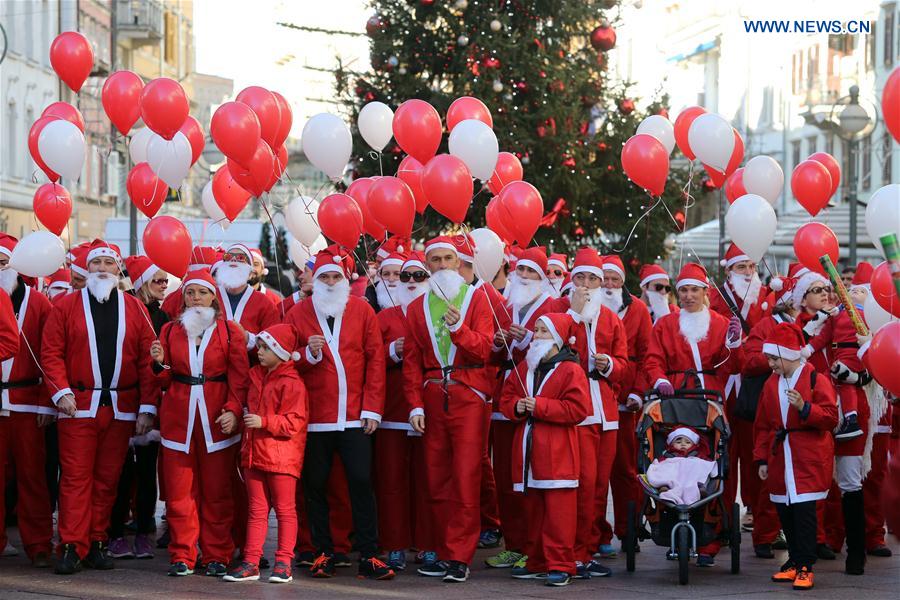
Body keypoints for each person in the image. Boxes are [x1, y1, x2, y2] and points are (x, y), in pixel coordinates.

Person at [41, 240, 157, 575]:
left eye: (109, 263)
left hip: (121, 407)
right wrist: (60, 392)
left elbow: (148, 358)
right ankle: (70, 546)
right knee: (76, 478)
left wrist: (148, 407)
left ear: (118, 270)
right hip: (78, 406)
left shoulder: (135, 308)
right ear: (86, 269)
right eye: (97, 263)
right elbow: (51, 351)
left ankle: (96, 541)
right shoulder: (65, 305)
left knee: (108, 479)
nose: (103, 268)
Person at [284, 246, 393, 581]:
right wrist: (307, 354)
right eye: (324, 277)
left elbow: (376, 361)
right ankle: (322, 552)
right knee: (314, 486)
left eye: (335, 276)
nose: (330, 282)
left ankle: (370, 554)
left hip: (354, 416)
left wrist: (373, 408)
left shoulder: (361, 310)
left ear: (345, 279)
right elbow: (285, 359)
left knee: (361, 482)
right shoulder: (297, 313)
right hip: (315, 418)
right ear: (314, 281)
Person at [403, 235, 495, 583]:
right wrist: (413, 403)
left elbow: (484, 349)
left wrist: (459, 329)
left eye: (448, 259)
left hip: (468, 394)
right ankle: (443, 551)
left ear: (459, 263)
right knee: (435, 477)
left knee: (466, 476)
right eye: (435, 260)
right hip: (431, 395)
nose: (442, 266)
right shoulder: (416, 308)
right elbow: (411, 362)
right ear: (427, 265)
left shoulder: (476, 299)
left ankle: (459, 555)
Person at [150, 268, 249, 577]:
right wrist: (158, 362)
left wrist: (233, 409)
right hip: (178, 420)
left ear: (213, 298)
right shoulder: (169, 331)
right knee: (180, 494)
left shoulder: (230, 331)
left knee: (217, 492)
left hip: (215, 421)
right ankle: (183, 554)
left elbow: (239, 376)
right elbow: (165, 377)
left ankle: (217, 554)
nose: (195, 298)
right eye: (190, 293)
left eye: (202, 292)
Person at [643, 262, 744, 567]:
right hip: (673, 398)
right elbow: (652, 360)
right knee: (673, 455)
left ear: (705, 292)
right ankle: (670, 514)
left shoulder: (720, 323)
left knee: (714, 459)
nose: (688, 296)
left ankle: (712, 534)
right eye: (683, 290)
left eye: (693, 290)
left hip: (709, 399)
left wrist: (736, 343)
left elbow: (734, 366)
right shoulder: (665, 325)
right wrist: (659, 380)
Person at [499, 313, 591, 587]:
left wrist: (539, 406)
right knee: (533, 509)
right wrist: (516, 407)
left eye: (542, 331)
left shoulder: (570, 370)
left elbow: (578, 409)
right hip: (528, 449)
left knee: (558, 513)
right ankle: (537, 559)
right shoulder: (525, 367)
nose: (535, 335)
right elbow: (507, 397)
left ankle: (561, 564)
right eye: (536, 330)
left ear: (557, 338)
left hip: (558, 451)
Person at [553, 247, 628, 578]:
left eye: (592, 279)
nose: (586, 284)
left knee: (598, 486)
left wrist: (610, 364)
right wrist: (574, 315)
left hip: (606, 411)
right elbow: (548, 352)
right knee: (579, 484)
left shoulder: (611, 318)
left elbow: (625, 365)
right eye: (580, 277)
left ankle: (588, 549)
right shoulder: (559, 311)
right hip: (575, 409)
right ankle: (572, 553)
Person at [794, 268, 869, 574]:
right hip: (819, 409)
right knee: (812, 482)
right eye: (818, 289)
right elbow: (799, 352)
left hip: (852, 408)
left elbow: (876, 361)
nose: (826, 293)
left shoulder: (860, 320)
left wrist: (856, 377)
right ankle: (806, 550)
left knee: (850, 480)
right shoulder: (812, 325)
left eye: (828, 288)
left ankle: (856, 552)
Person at [753, 322, 838, 591]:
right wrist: (762, 459)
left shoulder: (815, 378)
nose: (770, 363)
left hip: (807, 457)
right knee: (785, 511)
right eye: (768, 358)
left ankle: (805, 566)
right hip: (781, 456)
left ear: (789, 354)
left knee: (804, 513)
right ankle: (794, 561)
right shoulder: (770, 384)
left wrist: (804, 407)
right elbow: (763, 424)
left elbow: (830, 417)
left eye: (774, 358)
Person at [486, 247, 555, 570]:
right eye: (522, 271)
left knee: (533, 477)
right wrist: (499, 343)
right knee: (505, 476)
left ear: (542, 278)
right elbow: (492, 353)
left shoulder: (552, 306)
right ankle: (513, 543)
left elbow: (559, 350)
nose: (525, 277)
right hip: (503, 400)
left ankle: (535, 545)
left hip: (536, 399)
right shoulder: (504, 306)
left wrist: (529, 338)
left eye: (532, 273)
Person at [224, 324, 307, 584]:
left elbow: (295, 422)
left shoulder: (293, 383)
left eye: (265, 348)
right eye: (259, 346)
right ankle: (251, 561)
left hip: (281, 457)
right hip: (254, 454)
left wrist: (264, 422)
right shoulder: (255, 375)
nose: (259, 352)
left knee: (285, 510)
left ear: (281, 352)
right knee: (257, 510)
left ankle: (284, 562)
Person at [107, 256, 170, 560]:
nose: (164, 284)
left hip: (151, 400)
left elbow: (158, 367)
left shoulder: (165, 317)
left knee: (147, 471)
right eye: (158, 280)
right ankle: (115, 532)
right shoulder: (122, 308)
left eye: (165, 280)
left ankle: (145, 529)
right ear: (142, 281)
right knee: (118, 470)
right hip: (120, 397)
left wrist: (149, 407)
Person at [374, 251, 432, 571]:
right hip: (392, 409)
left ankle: (426, 543)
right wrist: (390, 351)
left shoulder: (436, 314)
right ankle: (394, 543)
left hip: (430, 407)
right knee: (392, 480)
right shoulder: (384, 317)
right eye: (405, 276)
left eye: (418, 275)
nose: (410, 282)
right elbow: (368, 359)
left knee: (427, 479)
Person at [0, 235, 54, 567]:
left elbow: (51, 355)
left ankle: (39, 544)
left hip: (28, 402)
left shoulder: (40, 303)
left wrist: (49, 402)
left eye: (4, 262)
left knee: (33, 476)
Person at [741, 270, 802, 559]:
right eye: (815, 290)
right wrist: (780, 357)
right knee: (771, 471)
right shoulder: (768, 324)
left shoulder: (816, 324)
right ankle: (764, 534)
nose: (824, 294)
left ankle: (800, 535)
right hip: (775, 402)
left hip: (803, 404)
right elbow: (750, 361)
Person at [708, 244, 767, 533]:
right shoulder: (714, 296)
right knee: (724, 450)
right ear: (728, 270)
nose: (748, 272)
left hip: (754, 383)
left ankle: (756, 510)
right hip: (725, 381)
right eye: (741, 267)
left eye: (751, 267)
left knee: (755, 449)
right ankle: (722, 513)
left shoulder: (765, 295)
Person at [596, 254, 652, 557]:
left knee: (626, 469)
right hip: (595, 396)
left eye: (613, 279)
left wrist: (638, 392)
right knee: (595, 472)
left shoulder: (638, 310)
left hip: (627, 399)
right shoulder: (587, 308)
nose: (608, 284)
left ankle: (628, 529)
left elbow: (646, 355)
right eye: (603, 278)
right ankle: (597, 533)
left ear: (622, 282)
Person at [646, 427, 717, 506]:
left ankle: (700, 489)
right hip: (673, 476)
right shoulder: (668, 454)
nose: (683, 444)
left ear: (693, 445)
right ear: (671, 444)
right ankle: (664, 486)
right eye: (678, 442)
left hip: (690, 475)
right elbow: (659, 465)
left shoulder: (697, 454)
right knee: (665, 469)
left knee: (700, 467)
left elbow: (707, 464)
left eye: (687, 442)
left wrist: (708, 465)